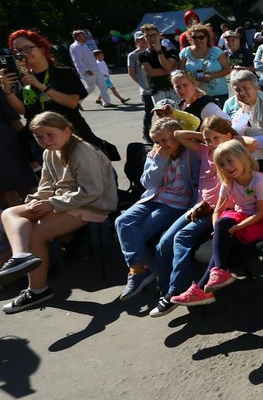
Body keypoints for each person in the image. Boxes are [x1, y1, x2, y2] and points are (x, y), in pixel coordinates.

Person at [0, 112, 116, 313]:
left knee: (37, 232)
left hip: (93, 204)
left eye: (50, 135)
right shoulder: (49, 152)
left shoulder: (82, 152)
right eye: (39, 137)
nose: (44, 141)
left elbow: (92, 192)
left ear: (67, 131)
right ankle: (21, 256)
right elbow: (47, 184)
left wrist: (51, 203)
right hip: (65, 201)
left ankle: (38, 290)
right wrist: (37, 199)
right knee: (10, 213)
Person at [151, 117, 255, 317]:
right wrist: (206, 134)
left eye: (216, 138)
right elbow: (178, 135)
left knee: (182, 238)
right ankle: (167, 289)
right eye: (208, 139)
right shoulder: (205, 151)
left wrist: (226, 139)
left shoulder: (232, 153)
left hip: (218, 209)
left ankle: (176, 290)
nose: (211, 143)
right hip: (198, 207)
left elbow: (253, 143)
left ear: (228, 136)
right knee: (164, 242)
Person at [171, 140, 263, 306]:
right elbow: (217, 210)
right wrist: (217, 229)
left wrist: (234, 228)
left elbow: (260, 214)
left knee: (225, 234)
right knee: (222, 227)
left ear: (243, 157)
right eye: (222, 164)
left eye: (230, 160)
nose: (227, 166)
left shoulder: (259, 181)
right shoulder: (228, 182)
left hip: (259, 221)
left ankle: (201, 288)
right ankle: (215, 277)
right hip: (239, 216)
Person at [114, 117, 199, 300]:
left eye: (165, 140)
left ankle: (158, 276)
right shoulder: (155, 154)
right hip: (154, 198)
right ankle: (138, 270)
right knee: (122, 222)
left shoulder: (189, 154)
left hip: (176, 203)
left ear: (177, 138)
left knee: (141, 234)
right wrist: (159, 161)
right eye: (157, 142)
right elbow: (148, 184)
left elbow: (198, 182)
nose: (161, 145)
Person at [5, 29, 116, 159]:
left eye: (27, 48)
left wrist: (41, 86)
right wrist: (7, 90)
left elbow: (72, 103)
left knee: (96, 176)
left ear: (42, 48)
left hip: (73, 137)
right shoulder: (21, 79)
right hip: (43, 143)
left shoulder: (63, 74)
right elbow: (23, 111)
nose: (22, 54)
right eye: (16, 51)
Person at [179, 23, 231, 107]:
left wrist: (212, 76)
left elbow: (227, 70)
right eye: (194, 37)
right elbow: (181, 72)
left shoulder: (217, 51)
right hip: (196, 94)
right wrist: (193, 78)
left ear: (207, 37)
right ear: (190, 39)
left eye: (201, 37)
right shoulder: (185, 52)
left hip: (219, 93)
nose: (198, 40)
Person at [139, 23, 179, 103]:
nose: (152, 38)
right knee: (163, 115)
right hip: (157, 92)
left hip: (174, 89)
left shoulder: (170, 50)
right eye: (148, 35)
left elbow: (168, 68)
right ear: (144, 37)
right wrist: (169, 70)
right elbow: (151, 73)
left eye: (154, 35)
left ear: (159, 35)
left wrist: (159, 51)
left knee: (179, 115)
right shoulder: (142, 55)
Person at [68, 29, 107, 106]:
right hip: (88, 71)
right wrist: (86, 70)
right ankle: (77, 102)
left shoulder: (84, 45)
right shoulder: (75, 46)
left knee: (103, 86)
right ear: (77, 37)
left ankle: (107, 102)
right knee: (90, 87)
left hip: (95, 69)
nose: (86, 37)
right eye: (83, 35)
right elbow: (78, 60)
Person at [128, 30, 153, 141]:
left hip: (158, 87)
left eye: (144, 38)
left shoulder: (152, 51)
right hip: (146, 90)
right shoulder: (133, 55)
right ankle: (146, 134)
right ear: (135, 41)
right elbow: (131, 72)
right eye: (140, 39)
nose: (143, 41)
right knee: (149, 113)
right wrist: (141, 83)